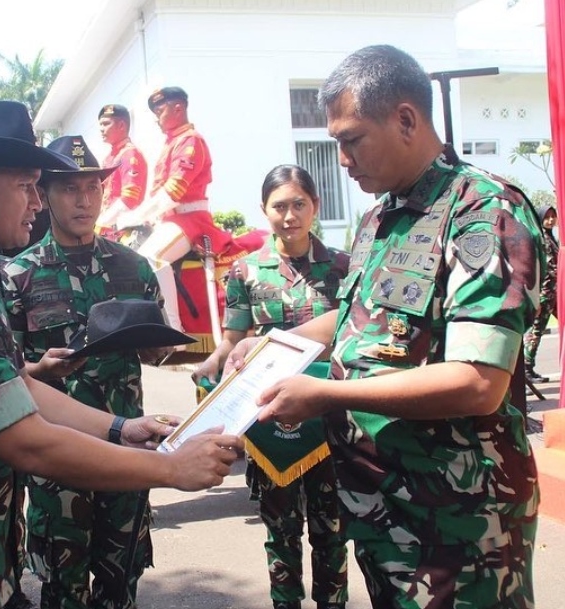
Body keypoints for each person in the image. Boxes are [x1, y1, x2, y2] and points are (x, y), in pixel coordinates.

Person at [0, 100, 243, 609]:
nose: (38, 202)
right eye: (27, 185)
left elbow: (17, 386)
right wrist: (171, 469)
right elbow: (27, 443)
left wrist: (120, 428)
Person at [225, 45, 543, 608]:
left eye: (351, 140)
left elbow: (478, 381)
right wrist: (273, 342)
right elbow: (357, 318)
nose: (343, 160)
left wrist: (325, 393)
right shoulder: (380, 217)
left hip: (457, 520)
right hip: (382, 508)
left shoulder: (481, 213)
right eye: (336, 144)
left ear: (405, 120)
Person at [4, 135, 170, 609]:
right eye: (70, 189)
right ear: (47, 195)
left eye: (93, 188)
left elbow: (157, 354)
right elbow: (7, 373)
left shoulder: (135, 268)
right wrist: (43, 368)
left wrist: (161, 347)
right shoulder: (18, 276)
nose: (84, 200)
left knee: (122, 582)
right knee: (64, 585)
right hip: (58, 458)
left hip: (127, 446)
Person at [194, 165, 349, 609]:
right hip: (268, 420)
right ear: (264, 210)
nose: (289, 215)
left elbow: (354, 334)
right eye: (279, 206)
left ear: (315, 206)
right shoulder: (245, 271)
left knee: (332, 529)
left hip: (326, 419)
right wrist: (212, 363)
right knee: (280, 530)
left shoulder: (342, 267)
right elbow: (233, 340)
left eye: (299, 204)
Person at [116, 86, 233, 331]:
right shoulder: (172, 143)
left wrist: (135, 216)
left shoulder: (190, 141)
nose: (156, 118)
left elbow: (172, 193)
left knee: (150, 256)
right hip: (171, 220)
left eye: (160, 110)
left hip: (190, 220)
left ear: (177, 108)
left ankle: (172, 329)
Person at [95, 104, 148, 239]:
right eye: (100, 125)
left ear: (121, 126)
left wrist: (99, 223)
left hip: (124, 229)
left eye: (106, 124)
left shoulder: (130, 153)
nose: (101, 129)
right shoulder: (109, 158)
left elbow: (129, 199)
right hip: (108, 228)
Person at [524, 204, 558, 383]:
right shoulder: (542, 239)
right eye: (547, 217)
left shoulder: (552, 239)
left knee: (538, 331)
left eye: (553, 216)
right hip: (543, 294)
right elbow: (544, 269)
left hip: (552, 294)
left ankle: (529, 367)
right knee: (535, 331)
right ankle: (526, 368)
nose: (551, 220)